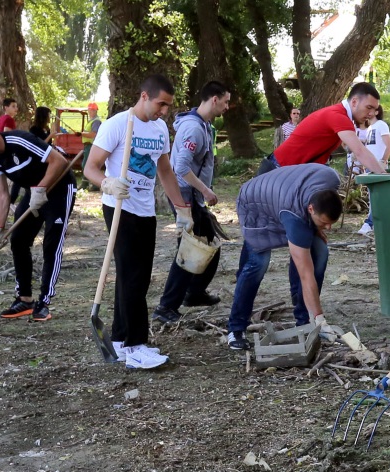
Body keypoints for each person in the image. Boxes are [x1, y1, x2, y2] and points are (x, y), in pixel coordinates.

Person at [84, 74, 194, 370]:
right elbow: (90, 168)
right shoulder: (116, 124)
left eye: (168, 106)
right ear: (144, 96)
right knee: (133, 277)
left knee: (136, 277)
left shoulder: (160, 129)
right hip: (120, 209)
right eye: (161, 104)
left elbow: (166, 172)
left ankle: (120, 339)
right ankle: (135, 346)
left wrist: (181, 209)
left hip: (145, 211)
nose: (164, 111)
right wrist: (107, 183)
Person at [0, 115, 77, 322]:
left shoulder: (20, 140)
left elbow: (59, 161)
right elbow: (1, 194)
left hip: (59, 188)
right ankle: (25, 299)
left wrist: (41, 189)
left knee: (51, 243)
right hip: (34, 193)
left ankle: (43, 302)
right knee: (18, 240)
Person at [226, 164, 343, 350]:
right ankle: (236, 327)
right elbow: (305, 274)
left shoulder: (331, 178)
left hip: (283, 197)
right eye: (324, 223)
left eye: (331, 224)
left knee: (320, 251)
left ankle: (305, 321)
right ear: (311, 209)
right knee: (258, 263)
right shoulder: (294, 216)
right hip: (254, 203)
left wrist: (316, 226)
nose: (328, 228)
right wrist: (322, 319)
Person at [153, 80, 232, 325]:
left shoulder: (204, 126)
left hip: (194, 196)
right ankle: (166, 307)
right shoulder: (194, 129)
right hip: (185, 196)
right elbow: (180, 167)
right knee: (188, 252)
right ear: (214, 99)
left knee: (210, 242)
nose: (228, 107)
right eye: (226, 101)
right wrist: (205, 191)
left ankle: (194, 293)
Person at [257, 83, 386, 177]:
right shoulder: (339, 116)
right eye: (369, 107)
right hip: (278, 169)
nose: (372, 114)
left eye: (374, 110)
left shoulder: (339, 114)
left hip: (289, 170)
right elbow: (360, 151)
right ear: (354, 102)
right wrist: (384, 175)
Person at [357, 105, 390, 236]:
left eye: (371, 110)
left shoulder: (381, 125)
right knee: (372, 196)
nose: (367, 112)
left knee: (377, 195)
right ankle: (375, 223)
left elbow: (389, 146)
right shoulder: (369, 128)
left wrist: (383, 161)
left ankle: (369, 223)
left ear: (377, 112)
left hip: (378, 165)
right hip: (369, 165)